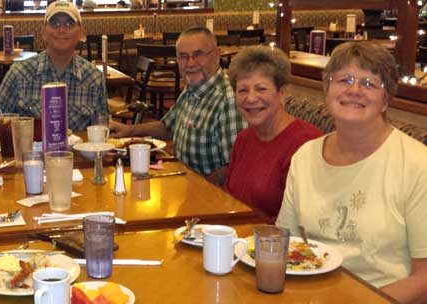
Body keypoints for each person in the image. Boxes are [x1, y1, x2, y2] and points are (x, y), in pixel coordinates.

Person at [276, 42, 427, 303]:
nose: (354, 90)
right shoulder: (304, 157)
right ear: (327, 91)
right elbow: (284, 242)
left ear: (386, 99)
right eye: (343, 79)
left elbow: (424, 278)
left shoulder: (417, 165)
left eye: (369, 83)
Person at [0, 1, 108, 136]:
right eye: (55, 23)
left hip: (79, 165)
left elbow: (102, 128)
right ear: (43, 32)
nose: (61, 30)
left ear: (81, 33)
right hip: (30, 163)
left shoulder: (93, 77)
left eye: (69, 23)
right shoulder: (20, 73)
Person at [109, 26, 246, 180]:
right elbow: (167, 127)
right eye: (183, 57)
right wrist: (128, 131)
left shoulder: (229, 100)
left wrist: (199, 189)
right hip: (184, 182)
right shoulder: (192, 90)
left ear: (216, 55)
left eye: (198, 55)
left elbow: (235, 167)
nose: (190, 63)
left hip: (211, 196)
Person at [223, 46, 322, 216]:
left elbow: (305, 222)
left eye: (261, 89)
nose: (251, 98)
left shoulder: (305, 144)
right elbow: (230, 197)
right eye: (243, 90)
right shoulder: (244, 138)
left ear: (282, 94)